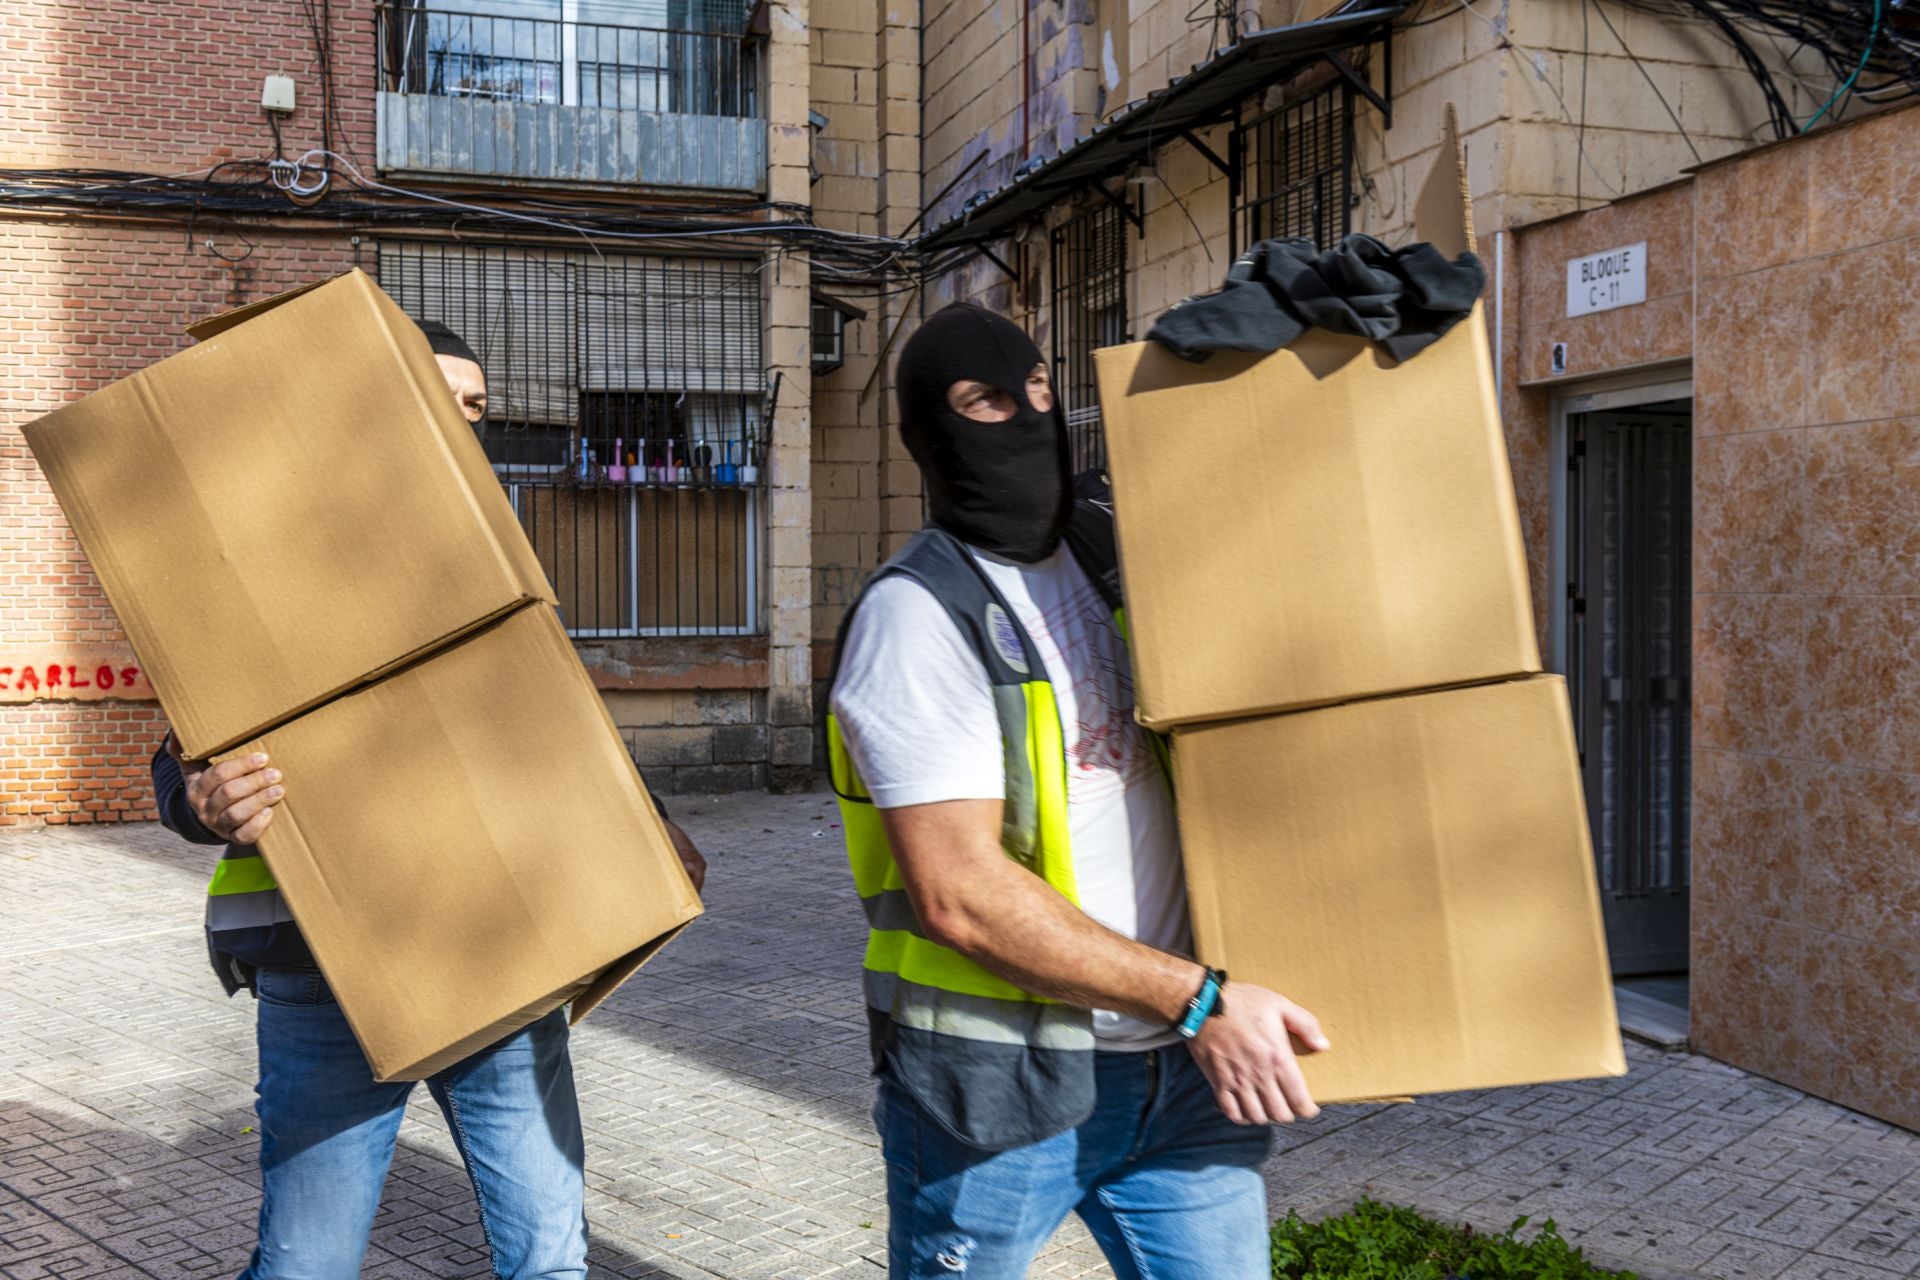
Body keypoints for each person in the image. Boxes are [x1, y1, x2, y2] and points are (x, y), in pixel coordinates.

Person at [151, 317, 708, 1280]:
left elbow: (545, 718)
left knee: (549, 1261)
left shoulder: (488, 555)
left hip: (496, 951)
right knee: (305, 1267)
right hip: (322, 970)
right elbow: (179, 758)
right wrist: (201, 802)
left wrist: (639, 822)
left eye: (477, 408)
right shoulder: (271, 560)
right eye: (436, 398)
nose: (462, 422)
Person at [825, 302, 1329, 1280]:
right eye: (985, 401)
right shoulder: (917, 616)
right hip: (1001, 1089)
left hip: (1181, 1081)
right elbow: (958, 890)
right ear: (929, 435)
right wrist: (1199, 996)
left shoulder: (1105, 558)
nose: (1024, 414)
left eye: (1041, 392)